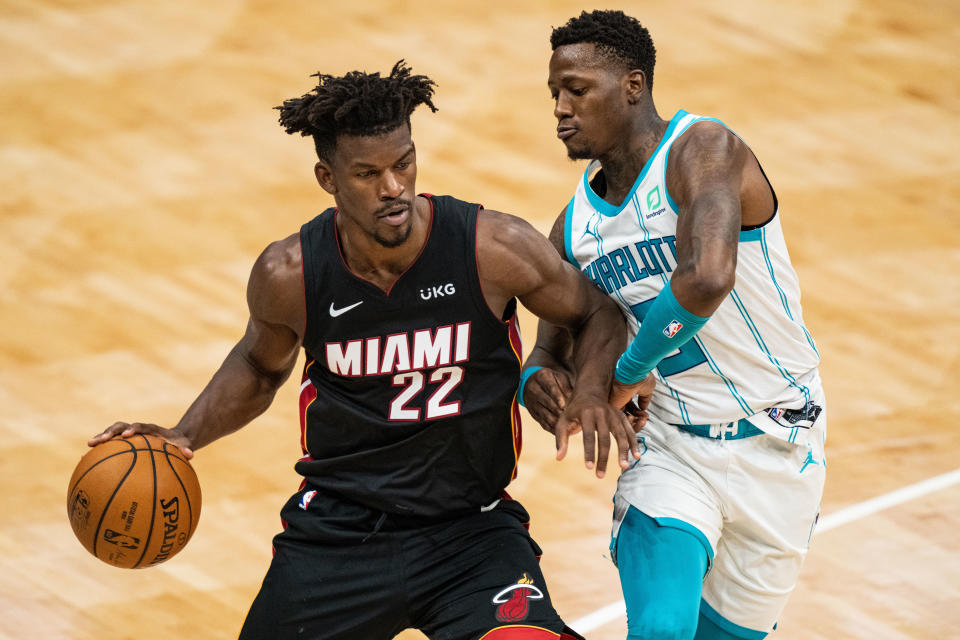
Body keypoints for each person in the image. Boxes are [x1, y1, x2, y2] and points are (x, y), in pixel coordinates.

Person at [90, 60, 644, 640]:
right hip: (338, 538)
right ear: (327, 178)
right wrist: (183, 435)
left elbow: (596, 310)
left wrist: (587, 389)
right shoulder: (291, 274)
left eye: (403, 163)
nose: (393, 188)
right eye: (368, 173)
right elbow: (259, 366)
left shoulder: (490, 248)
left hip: (472, 537)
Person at [521, 10, 826, 640]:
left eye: (576, 89)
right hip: (669, 448)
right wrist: (547, 390)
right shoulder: (572, 230)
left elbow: (707, 277)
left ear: (633, 85)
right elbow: (546, 351)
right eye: (555, 93)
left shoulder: (703, 150)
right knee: (660, 629)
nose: (560, 108)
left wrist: (624, 376)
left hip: (782, 439)